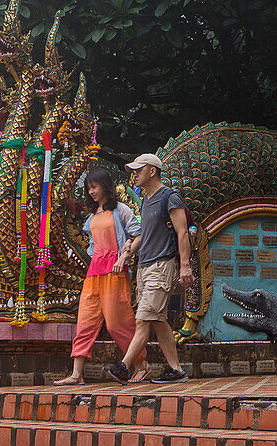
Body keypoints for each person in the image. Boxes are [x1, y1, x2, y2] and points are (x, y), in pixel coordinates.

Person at [106, 153, 194, 385]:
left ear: (152, 171)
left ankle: (124, 366)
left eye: (138, 170)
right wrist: (128, 252)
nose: (135, 174)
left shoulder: (170, 197)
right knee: (157, 320)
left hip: (162, 265)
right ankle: (176, 370)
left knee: (143, 318)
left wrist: (184, 266)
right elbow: (143, 234)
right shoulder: (146, 201)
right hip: (145, 267)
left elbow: (182, 232)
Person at [53, 167, 145, 385]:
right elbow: (93, 247)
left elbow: (138, 234)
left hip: (116, 271)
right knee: (85, 321)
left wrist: (125, 256)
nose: (92, 192)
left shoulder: (121, 210)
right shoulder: (92, 215)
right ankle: (77, 374)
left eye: (94, 187)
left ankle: (141, 364)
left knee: (117, 323)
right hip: (94, 273)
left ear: (105, 186)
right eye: (89, 188)